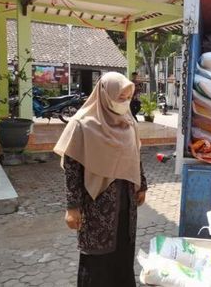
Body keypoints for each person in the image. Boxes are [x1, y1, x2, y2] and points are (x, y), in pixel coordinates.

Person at [54, 72, 147, 287]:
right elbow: (72, 169)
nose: (124, 103)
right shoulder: (82, 125)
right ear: (105, 95)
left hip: (125, 201)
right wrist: (72, 207)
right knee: (97, 258)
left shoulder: (128, 123)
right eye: (120, 98)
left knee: (122, 253)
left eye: (127, 98)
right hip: (97, 204)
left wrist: (141, 184)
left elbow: (136, 155)